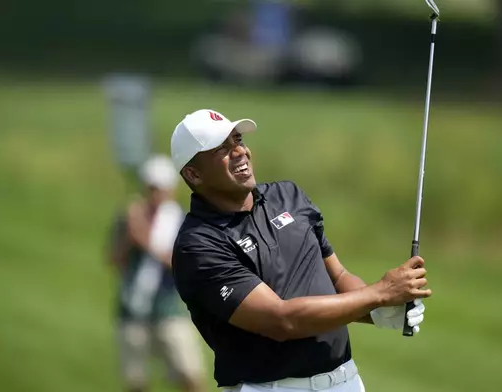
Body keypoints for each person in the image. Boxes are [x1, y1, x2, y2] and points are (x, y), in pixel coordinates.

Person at [169, 109, 432, 392]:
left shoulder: (288, 196)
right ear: (194, 174)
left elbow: (337, 278)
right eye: (222, 148)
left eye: (238, 140)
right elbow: (281, 320)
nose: (240, 152)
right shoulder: (198, 245)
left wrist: (380, 310)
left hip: (347, 381)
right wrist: (379, 293)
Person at [107, 154, 208, 392]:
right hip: (132, 306)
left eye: (161, 188)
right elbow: (114, 260)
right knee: (136, 380)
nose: (156, 194)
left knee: (189, 373)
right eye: (152, 188)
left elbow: (183, 265)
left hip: (169, 307)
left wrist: (144, 238)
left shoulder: (183, 221)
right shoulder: (130, 217)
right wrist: (129, 236)